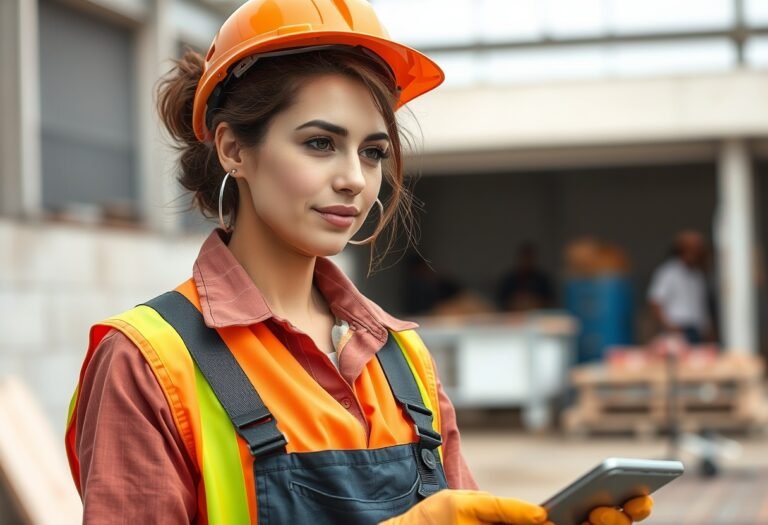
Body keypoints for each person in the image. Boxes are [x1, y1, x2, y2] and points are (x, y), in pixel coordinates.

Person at [64, 1, 654, 523]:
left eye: (372, 152)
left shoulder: (403, 358)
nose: (354, 179)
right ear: (233, 149)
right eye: (320, 143)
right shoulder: (149, 362)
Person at [648, 230, 714, 344]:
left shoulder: (698, 275)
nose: (696, 253)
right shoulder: (668, 272)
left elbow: (701, 305)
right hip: (677, 330)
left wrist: (708, 330)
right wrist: (669, 327)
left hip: (697, 331)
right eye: (692, 249)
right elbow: (655, 302)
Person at [496, 242, 555, 312]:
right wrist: (516, 302)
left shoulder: (542, 279)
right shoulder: (509, 279)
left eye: (529, 257)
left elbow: (551, 301)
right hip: (512, 317)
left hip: (538, 316)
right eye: (524, 257)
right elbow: (500, 302)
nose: (526, 261)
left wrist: (535, 301)